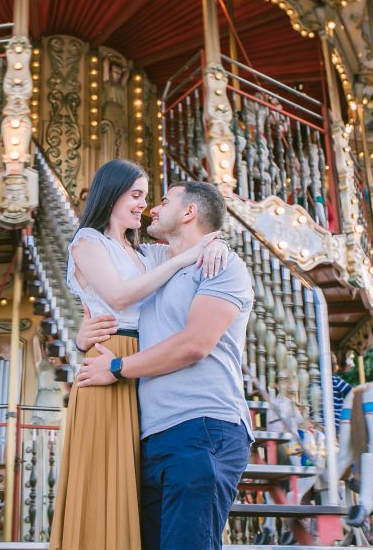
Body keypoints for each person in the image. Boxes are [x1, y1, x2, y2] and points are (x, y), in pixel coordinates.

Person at [49, 160, 228, 550]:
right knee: (103, 479)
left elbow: (194, 240)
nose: (143, 206)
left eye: (147, 198)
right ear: (111, 195)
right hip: (109, 360)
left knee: (133, 485)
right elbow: (116, 296)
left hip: (140, 368)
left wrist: (216, 242)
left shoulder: (144, 254)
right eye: (136, 196)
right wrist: (82, 341)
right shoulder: (87, 242)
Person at [77, 180, 255, 550]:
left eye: (163, 201)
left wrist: (117, 368)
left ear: (189, 212)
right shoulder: (156, 263)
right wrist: (85, 333)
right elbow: (112, 294)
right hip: (153, 435)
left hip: (203, 425)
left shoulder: (223, 266)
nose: (152, 210)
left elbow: (194, 345)